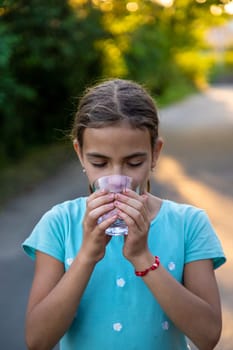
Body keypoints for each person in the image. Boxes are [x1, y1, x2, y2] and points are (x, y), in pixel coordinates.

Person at [22, 78, 226, 350]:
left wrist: (143, 257)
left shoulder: (189, 224)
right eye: (99, 163)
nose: (117, 178)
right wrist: (86, 256)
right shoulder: (58, 224)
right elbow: (37, 340)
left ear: (155, 153)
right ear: (80, 154)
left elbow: (208, 335)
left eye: (133, 162)